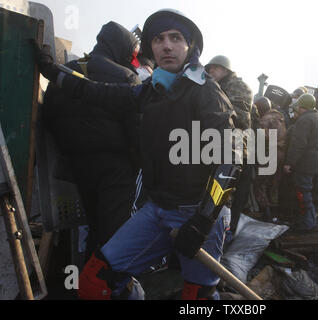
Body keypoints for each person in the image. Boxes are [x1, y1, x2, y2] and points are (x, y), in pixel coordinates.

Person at [35, 9, 242, 300]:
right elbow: (97, 92)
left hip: (196, 213)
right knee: (96, 283)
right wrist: (53, 72)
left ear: (190, 46)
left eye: (175, 38)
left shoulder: (206, 92)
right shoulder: (150, 91)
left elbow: (230, 159)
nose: (166, 45)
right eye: (158, 39)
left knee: (198, 299)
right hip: (156, 211)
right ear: (151, 48)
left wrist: (203, 221)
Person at [42, 21, 143, 258]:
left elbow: (47, 116)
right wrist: (137, 162)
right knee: (114, 234)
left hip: (76, 166)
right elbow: (136, 130)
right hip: (115, 168)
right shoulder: (126, 76)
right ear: (121, 47)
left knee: (94, 225)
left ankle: (88, 283)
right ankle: (108, 288)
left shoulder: (64, 71)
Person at [205, 55, 253, 232]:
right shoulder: (216, 86)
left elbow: (238, 115)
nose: (210, 72)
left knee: (227, 196)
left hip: (235, 148)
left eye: (215, 68)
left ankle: (225, 234)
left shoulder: (237, 86)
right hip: (221, 146)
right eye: (209, 69)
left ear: (226, 70)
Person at [284, 94, 318, 231]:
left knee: (303, 192)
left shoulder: (305, 120)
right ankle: (309, 220)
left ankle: (308, 223)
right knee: (306, 191)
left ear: (302, 108)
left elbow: (298, 144)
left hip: (305, 162)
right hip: (315, 160)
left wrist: (289, 162)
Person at [253, 96, 287, 220]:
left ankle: (266, 213)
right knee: (274, 184)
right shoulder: (279, 117)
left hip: (270, 154)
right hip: (281, 154)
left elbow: (261, 139)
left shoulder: (265, 120)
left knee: (260, 184)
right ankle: (275, 213)